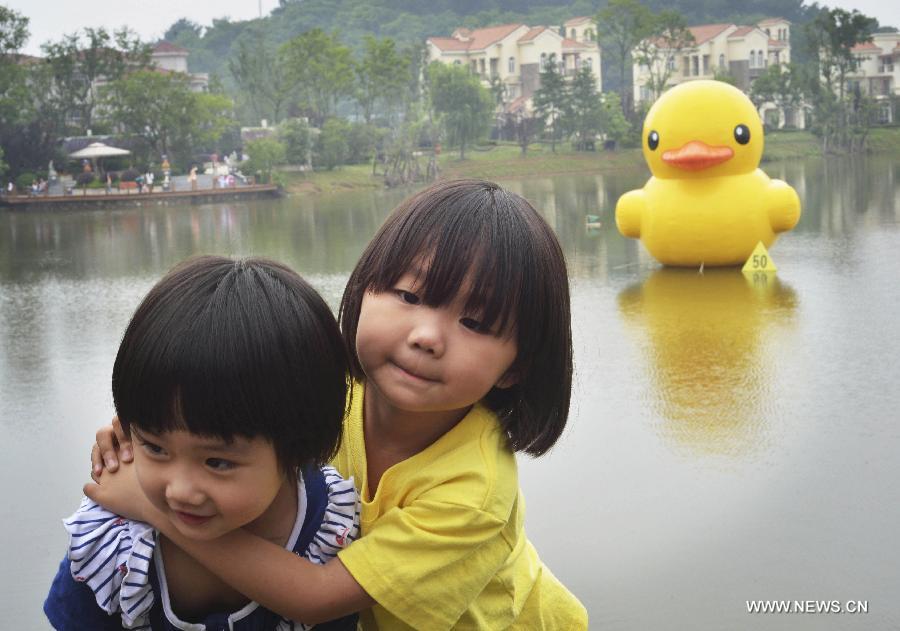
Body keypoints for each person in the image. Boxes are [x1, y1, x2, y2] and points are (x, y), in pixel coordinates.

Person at [88, 179, 587, 629]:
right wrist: (148, 438)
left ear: (517, 366)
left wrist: (152, 508)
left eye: (475, 323)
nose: (427, 336)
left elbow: (317, 597)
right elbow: (225, 415)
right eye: (410, 295)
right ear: (365, 284)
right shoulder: (331, 389)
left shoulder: (472, 490)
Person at [46, 255, 360, 631]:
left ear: (298, 446)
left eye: (217, 462)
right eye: (155, 447)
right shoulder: (113, 538)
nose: (179, 490)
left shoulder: (327, 529)